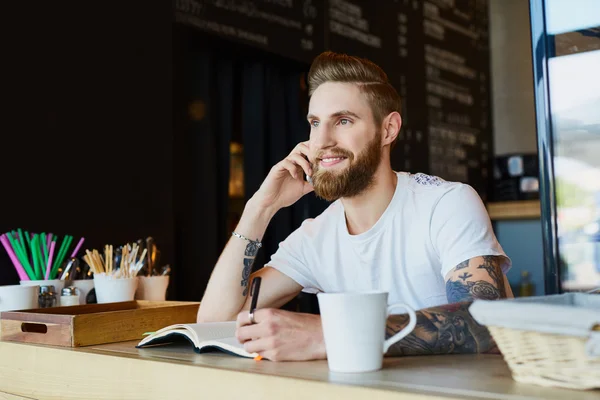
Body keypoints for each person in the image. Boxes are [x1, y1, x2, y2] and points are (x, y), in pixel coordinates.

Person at [197, 51, 513, 361]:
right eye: (315, 122)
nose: (322, 141)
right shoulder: (314, 238)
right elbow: (214, 324)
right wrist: (260, 208)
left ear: (388, 129)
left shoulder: (446, 204)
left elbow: (485, 320)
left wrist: (331, 334)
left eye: (343, 121)